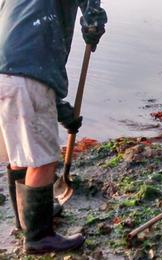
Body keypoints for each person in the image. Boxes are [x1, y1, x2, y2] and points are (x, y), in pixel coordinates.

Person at [0, 0, 107, 254]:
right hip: (27, 74)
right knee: (43, 160)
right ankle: (38, 237)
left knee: (21, 154)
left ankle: (26, 220)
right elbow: (93, 17)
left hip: (5, 70)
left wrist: (58, 107)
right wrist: (94, 26)